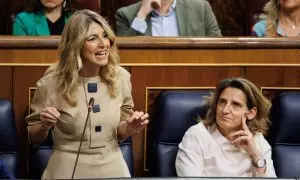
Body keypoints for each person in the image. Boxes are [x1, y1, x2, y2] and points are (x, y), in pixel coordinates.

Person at [26, 9, 149, 179]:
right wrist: (45, 125)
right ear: (75, 45)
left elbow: (120, 131)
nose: (103, 44)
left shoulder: (121, 78)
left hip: (112, 169)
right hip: (66, 170)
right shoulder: (51, 83)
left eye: (105, 36)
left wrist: (128, 128)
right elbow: (34, 137)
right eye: (92, 38)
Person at [175, 78, 277, 177]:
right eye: (222, 102)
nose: (225, 110)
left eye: (235, 104)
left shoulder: (257, 139)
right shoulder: (197, 135)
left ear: (250, 113)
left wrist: (255, 155)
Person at [115, 0, 222, 36]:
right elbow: (122, 55)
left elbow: (220, 50)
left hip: (195, 80)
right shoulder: (126, 15)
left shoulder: (201, 8)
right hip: (147, 81)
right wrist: (142, 15)